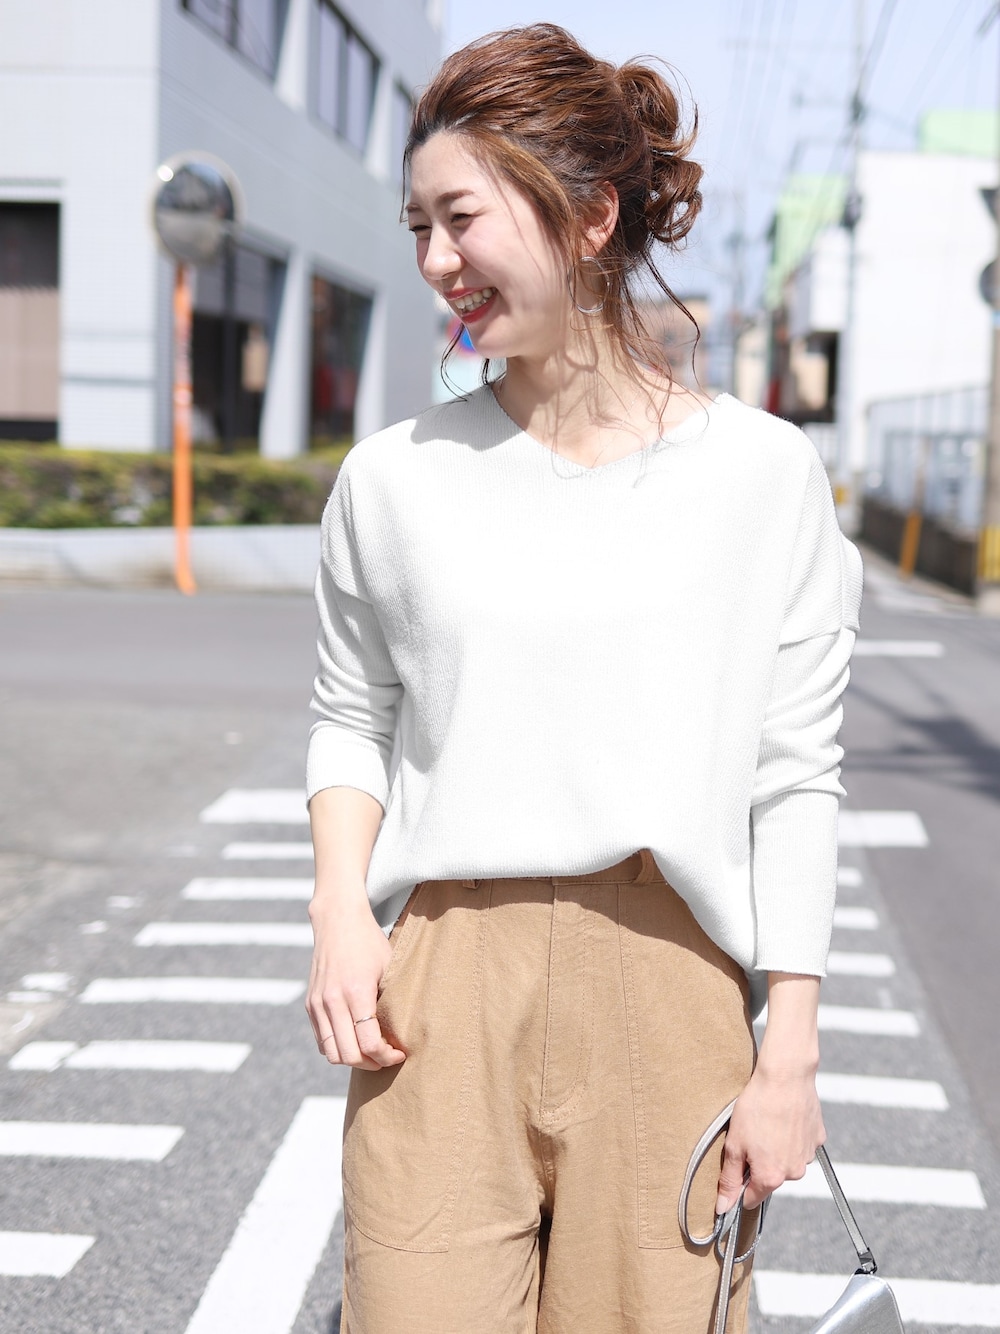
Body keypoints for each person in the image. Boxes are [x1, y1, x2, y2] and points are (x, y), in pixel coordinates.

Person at [304, 22, 863, 1334]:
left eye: (462, 218)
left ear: (594, 214)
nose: (436, 260)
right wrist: (339, 909)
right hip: (439, 992)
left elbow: (795, 773)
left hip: (668, 989)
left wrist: (789, 1050)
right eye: (418, 226)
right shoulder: (392, 480)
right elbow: (351, 710)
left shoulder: (762, 477)